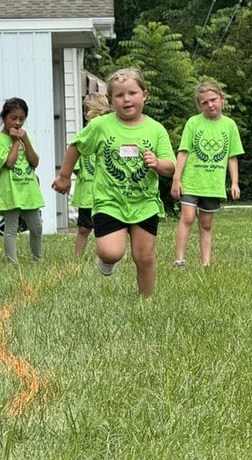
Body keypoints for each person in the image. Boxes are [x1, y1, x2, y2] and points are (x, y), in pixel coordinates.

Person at [53, 68, 175, 297]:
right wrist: (64, 176)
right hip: (109, 201)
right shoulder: (100, 126)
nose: (126, 99)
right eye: (119, 95)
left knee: (144, 256)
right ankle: (106, 261)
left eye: (132, 93)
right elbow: (76, 146)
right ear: (110, 100)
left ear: (144, 95)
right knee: (111, 252)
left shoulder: (155, 129)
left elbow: (171, 165)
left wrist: (158, 163)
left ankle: (146, 300)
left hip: (144, 202)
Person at [171, 80, 243, 268]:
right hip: (191, 181)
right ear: (199, 105)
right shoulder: (193, 123)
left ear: (222, 99)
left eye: (213, 100)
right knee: (187, 218)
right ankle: (179, 260)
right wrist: (176, 179)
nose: (210, 105)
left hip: (213, 184)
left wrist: (234, 182)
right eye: (205, 102)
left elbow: (232, 157)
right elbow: (183, 152)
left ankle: (206, 263)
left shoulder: (230, 125)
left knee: (206, 224)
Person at [0, 97, 44, 263]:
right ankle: (12, 263)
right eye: (13, 118)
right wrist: (15, 142)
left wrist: (25, 140)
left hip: (29, 190)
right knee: (12, 228)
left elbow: (34, 162)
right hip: (11, 191)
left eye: (21, 119)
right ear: (4, 118)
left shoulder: (25, 137)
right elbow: (9, 163)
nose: (18, 123)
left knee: (36, 227)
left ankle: (38, 259)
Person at [71, 92, 110, 256]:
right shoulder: (84, 135)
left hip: (105, 191)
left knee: (106, 228)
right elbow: (75, 164)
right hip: (87, 193)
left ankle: (105, 255)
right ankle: (77, 257)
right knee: (84, 228)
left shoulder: (108, 134)